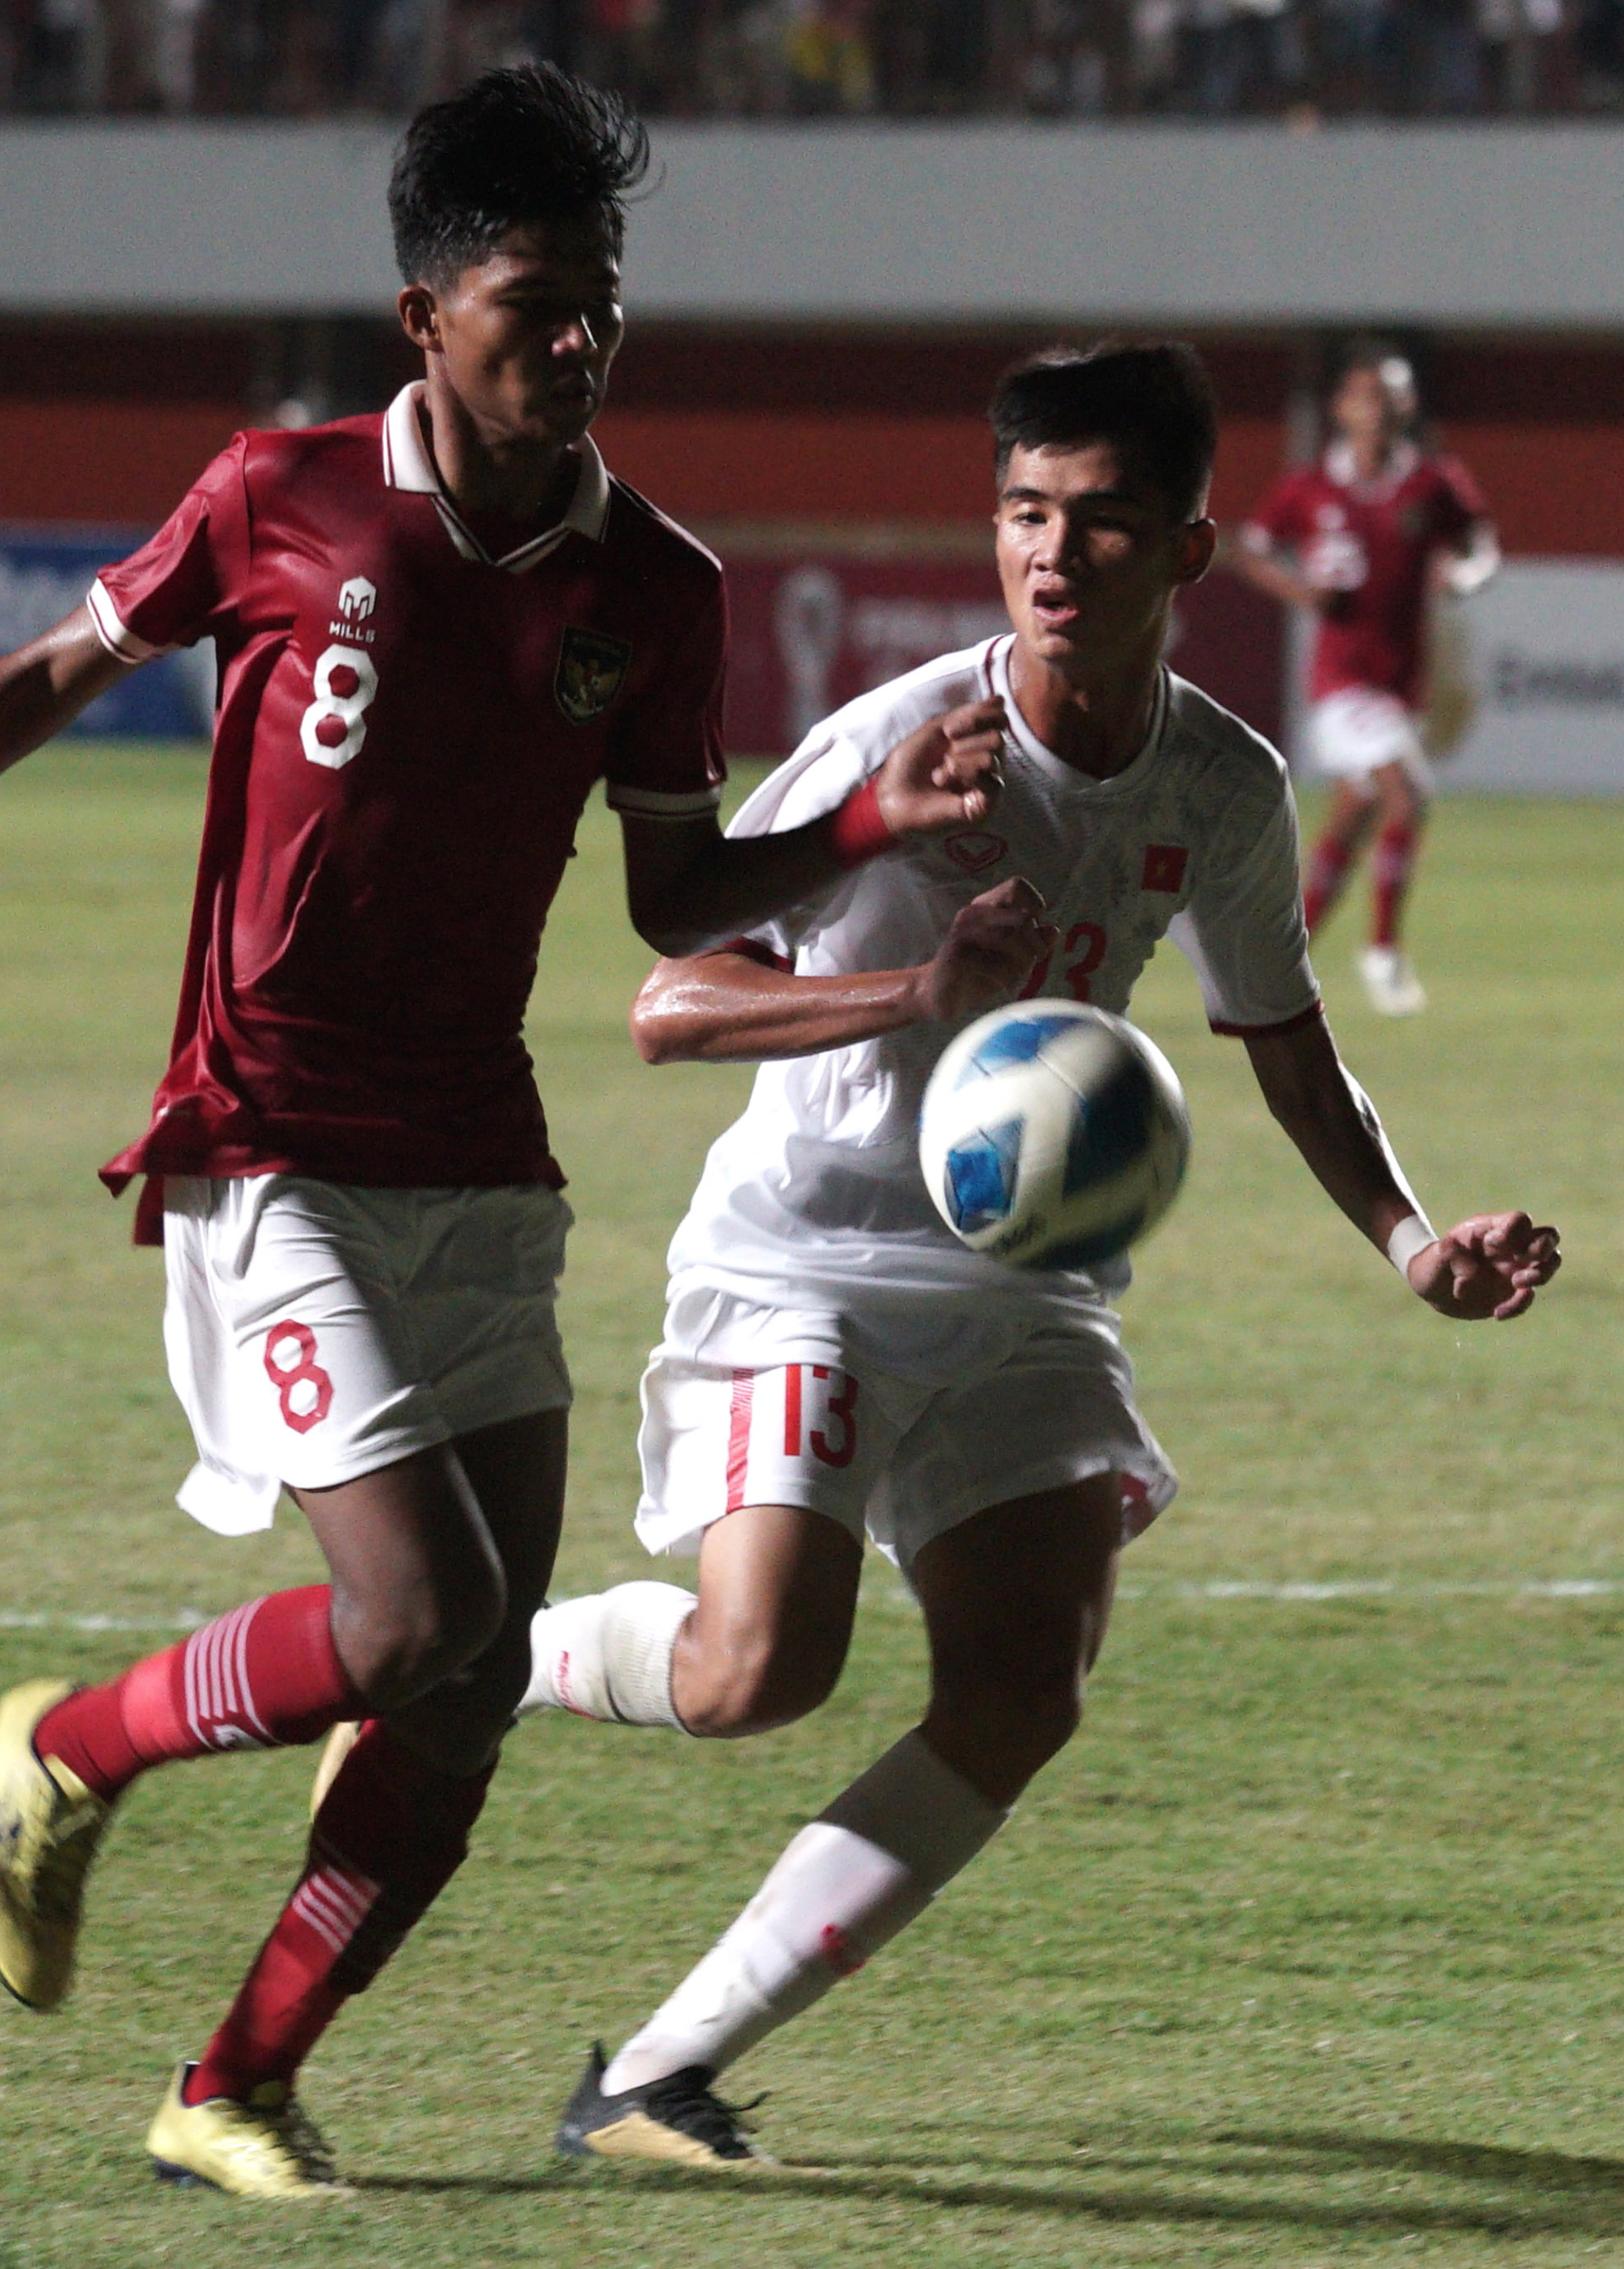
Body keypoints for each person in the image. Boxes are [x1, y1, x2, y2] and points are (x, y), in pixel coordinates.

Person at [0, 66, 1001, 2199]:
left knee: (465, 1697)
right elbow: (43, 675)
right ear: (423, 318)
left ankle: (233, 2085)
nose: (579, 343)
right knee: (407, 1624)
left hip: (486, 1167)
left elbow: (674, 897)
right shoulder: (283, 495)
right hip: (270, 1138)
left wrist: (861, 830)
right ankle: (76, 1744)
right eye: (537, 302)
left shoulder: (654, 584)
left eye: (606, 303)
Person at [513, 341, 1562, 2171]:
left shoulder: (1222, 792)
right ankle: (481, 1660)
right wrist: (913, 988)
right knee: (755, 1674)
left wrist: (1408, 1243)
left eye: (1098, 522)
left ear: (1188, 552)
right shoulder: (906, 746)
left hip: (1028, 1281)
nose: (1050, 555)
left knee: (1025, 1678)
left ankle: (654, 2076)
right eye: (1021, 516)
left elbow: (1285, 1036)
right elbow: (672, 1002)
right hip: (813, 1258)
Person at [1234, 344, 1499, 1019]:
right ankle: (1383, 951)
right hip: (1341, 684)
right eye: (1364, 398)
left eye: (1388, 399)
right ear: (1341, 408)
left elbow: (1482, 545)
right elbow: (1253, 547)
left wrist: (1465, 578)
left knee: (1352, 821)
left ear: (1408, 408)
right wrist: (1303, 593)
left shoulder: (1433, 484)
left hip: (1401, 687)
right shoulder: (1310, 486)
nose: (1375, 411)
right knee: (1407, 796)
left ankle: (1274, 961)